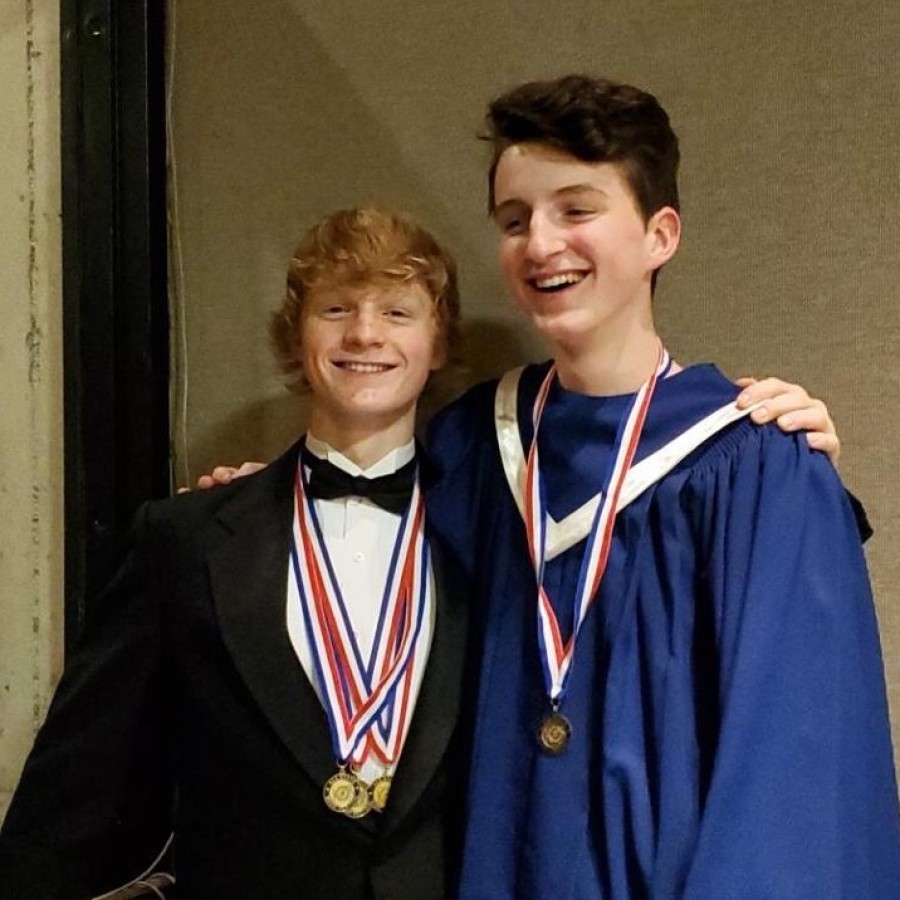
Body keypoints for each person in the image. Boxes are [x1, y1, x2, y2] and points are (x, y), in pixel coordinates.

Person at [423, 74, 899, 898]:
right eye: (514, 219)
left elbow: (796, 782)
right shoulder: (474, 444)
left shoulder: (758, 463)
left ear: (660, 235)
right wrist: (258, 501)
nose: (540, 243)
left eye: (577, 210)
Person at [0, 207, 469, 900]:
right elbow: (80, 784)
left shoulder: (491, 535)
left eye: (398, 312)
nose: (364, 333)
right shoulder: (186, 539)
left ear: (438, 342)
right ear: (294, 334)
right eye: (336, 307)